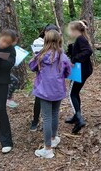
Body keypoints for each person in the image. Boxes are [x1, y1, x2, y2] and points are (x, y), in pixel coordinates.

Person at [29, 30, 71, 158]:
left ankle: (48, 149)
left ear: (45, 41)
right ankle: (53, 138)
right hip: (58, 90)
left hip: (44, 91)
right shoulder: (63, 56)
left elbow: (31, 66)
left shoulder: (40, 56)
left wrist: (34, 56)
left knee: (47, 117)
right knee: (54, 114)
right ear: (59, 40)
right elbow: (68, 73)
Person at [30, 24, 60, 131]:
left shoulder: (58, 43)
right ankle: (35, 120)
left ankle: (47, 123)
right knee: (38, 99)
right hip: (42, 76)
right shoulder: (38, 42)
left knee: (52, 103)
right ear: (45, 32)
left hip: (54, 78)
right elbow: (34, 62)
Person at [66, 20, 93, 134]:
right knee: (75, 92)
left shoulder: (81, 39)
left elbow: (88, 51)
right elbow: (75, 52)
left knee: (71, 94)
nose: (68, 31)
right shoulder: (79, 39)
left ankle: (79, 119)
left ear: (75, 30)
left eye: (69, 29)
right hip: (82, 70)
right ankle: (76, 115)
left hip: (80, 70)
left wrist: (75, 59)